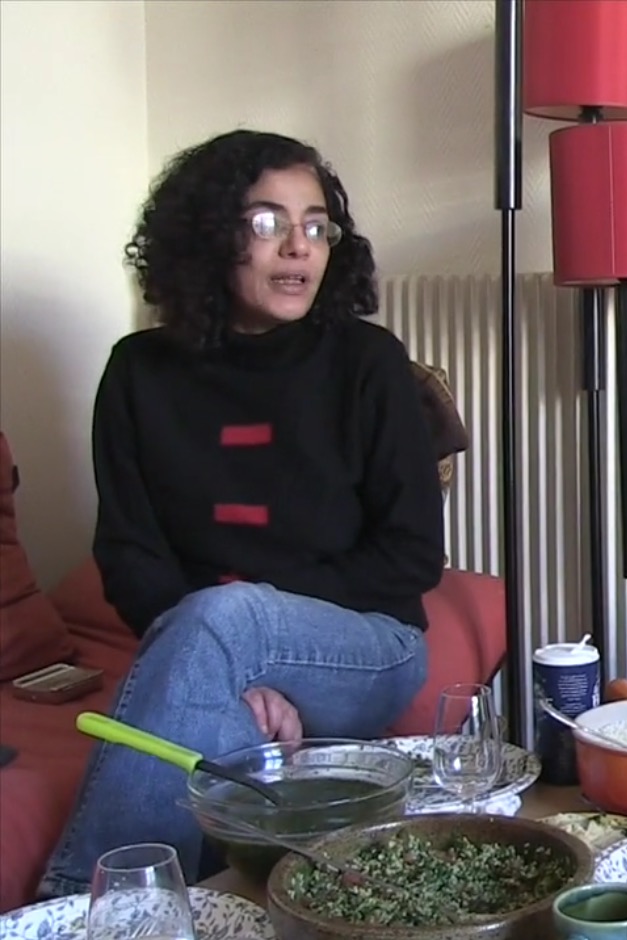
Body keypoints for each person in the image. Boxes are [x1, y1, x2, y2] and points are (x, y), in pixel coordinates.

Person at [37, 130, 446, 897]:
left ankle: (80, 908)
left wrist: (245, 624)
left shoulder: (368, 361)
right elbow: (129, 555)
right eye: (267, 222)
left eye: (316, 225)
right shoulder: (137, 373)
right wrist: (230, 674)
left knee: (223, 617)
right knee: (219, 714)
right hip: (208, 643)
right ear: (208, 237)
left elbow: (412, 554)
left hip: (368, 645)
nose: (298, 246)